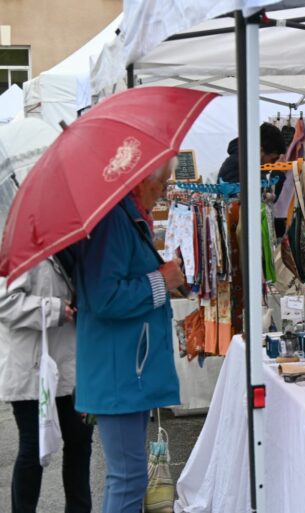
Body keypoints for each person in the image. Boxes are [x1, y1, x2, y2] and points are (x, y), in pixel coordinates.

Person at [72, 157, 186, 513]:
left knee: (130, 476)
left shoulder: (126, 217)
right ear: (139, 182)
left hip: (125, 366)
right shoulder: (114, 221)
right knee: (127, 477)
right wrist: (161, 281)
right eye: (162, 183)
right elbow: (104, 297)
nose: (165, 190)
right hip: (120, 369)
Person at [0, 259, 93, 513]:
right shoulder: (18, 245)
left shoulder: (69, 244)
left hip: (68, 362)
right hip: (30, 366)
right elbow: (4, 301)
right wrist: (52, 309)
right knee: (33, 448)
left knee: (80, 439)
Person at [216, 122, 286, 183]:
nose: (274, 164)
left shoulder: (252, 166)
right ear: (260, 151)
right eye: (273, 159)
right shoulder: (239, 168)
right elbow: (236, 197)